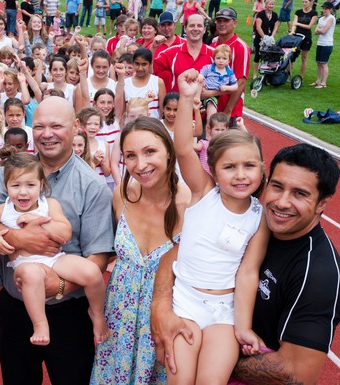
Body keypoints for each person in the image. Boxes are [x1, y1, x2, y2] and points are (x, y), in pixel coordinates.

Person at [151, 142, 340, 384]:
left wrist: (215, 359)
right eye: (277, 186)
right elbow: (174, 255)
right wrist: (161, 308)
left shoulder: (319, 274)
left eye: (299, 193)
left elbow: (297, 373)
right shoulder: (253, 222)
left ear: (323, 203)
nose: (282, 202)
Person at [0, 97, 114, 385]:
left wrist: (59, 285)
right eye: (39, 126)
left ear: (76, 128)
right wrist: (20, 237)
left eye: (56, 126)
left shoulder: (93, 185)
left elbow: (98, 257)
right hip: (15, 309)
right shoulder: (11, 172)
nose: (47, 134)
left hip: (70, 315)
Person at [167, 69, 268, 384]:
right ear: (214, 169)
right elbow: (183, 148)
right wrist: (186, 98)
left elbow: (248, 273)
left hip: (223, 312)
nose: (240, 175)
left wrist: (243, 326)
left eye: (249, 166)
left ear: (262, 168)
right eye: (229, 167)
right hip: (185, 303)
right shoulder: (203, 192)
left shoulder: (259, 217)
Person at [0, 150, 109, 346]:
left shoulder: (49, 204)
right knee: (32, 275)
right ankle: (40, 324)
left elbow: (65, 232)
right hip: (24, 264)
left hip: (55, 259)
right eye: (16, 185)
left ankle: (96, 313)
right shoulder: (4, 210)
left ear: (41, 185)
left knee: (92, 271)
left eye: (30, 185)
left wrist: (37, 220)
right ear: (6, 187)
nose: (23, 192)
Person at [90, 117, 190, 384]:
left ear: (168, 151)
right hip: (118, 321)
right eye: (130, 156)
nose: (140, 165)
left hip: (164, 323)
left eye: (150, 151)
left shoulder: (191, 203)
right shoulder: (121, 196)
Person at [210, 8, 250, 127]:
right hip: (212, 107)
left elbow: (241, 82)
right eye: (219, 21)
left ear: (235, 23)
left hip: (230, 113)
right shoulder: (213, 45)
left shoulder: (240, 47)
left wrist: (228, 111)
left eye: (226, 21)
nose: (222, 24)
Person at [154, 14, 214, 93]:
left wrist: (204, 95)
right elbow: (149, 71)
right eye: (192, 25)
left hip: (205, 104)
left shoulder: (214, 54)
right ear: (185, 28)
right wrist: (153, 48)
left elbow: (228, 82)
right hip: (178, 104)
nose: (195, 29)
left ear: (204, 29)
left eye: (199, 26)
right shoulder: (170, 53)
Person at [200, 44, 238, 120]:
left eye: (224, 58)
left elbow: (235, 87)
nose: (221, 61)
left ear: (229, 60)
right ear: (214, 59)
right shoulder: (208, 68)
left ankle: (210, 125)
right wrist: (200, 77)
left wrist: (226, 87)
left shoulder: (229, 73)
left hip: (213, 95)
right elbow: (201, 74)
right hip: (203, 88)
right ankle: (199, 103)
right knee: (198, 82)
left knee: (212, 110)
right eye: (218, 58)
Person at [290, 0, 318, 81]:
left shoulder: (314, 13)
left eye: (306, 2)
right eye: (303, 2)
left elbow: (309, 26)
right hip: (296, 37)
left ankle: (301, 77)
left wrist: (297, 24)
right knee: (291, 56)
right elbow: (294, 24)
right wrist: (292, 31)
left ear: (310, 2)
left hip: (306, 37)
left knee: (304, 58)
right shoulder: (298, 12)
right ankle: (288, 74)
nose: (304, 3)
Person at [253, 0, 280, 79]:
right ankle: (255, 74)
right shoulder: (260, 14)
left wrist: (272, 36)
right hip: (260, 38)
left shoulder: (275, 15)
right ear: (266, 4)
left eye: (272, 4)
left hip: (269, 38)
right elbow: (258, 27)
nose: (271, 6)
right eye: (269, 4)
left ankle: (265, 73)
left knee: (268, 56)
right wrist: (264, 37)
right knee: (257, 55)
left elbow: (276, 26)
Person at [313, 1, 334, 89]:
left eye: (326, 9)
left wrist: (320, 31)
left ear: (330, 10)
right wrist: (320, 31)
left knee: (324, 63)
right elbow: (315, 31)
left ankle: (323, 83)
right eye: (323, 8)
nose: (324, 10)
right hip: (320, 42)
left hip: (327, 44)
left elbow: (324, 31)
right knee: (318, 63)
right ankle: (318, 80)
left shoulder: (331, 18)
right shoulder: (321, 18)